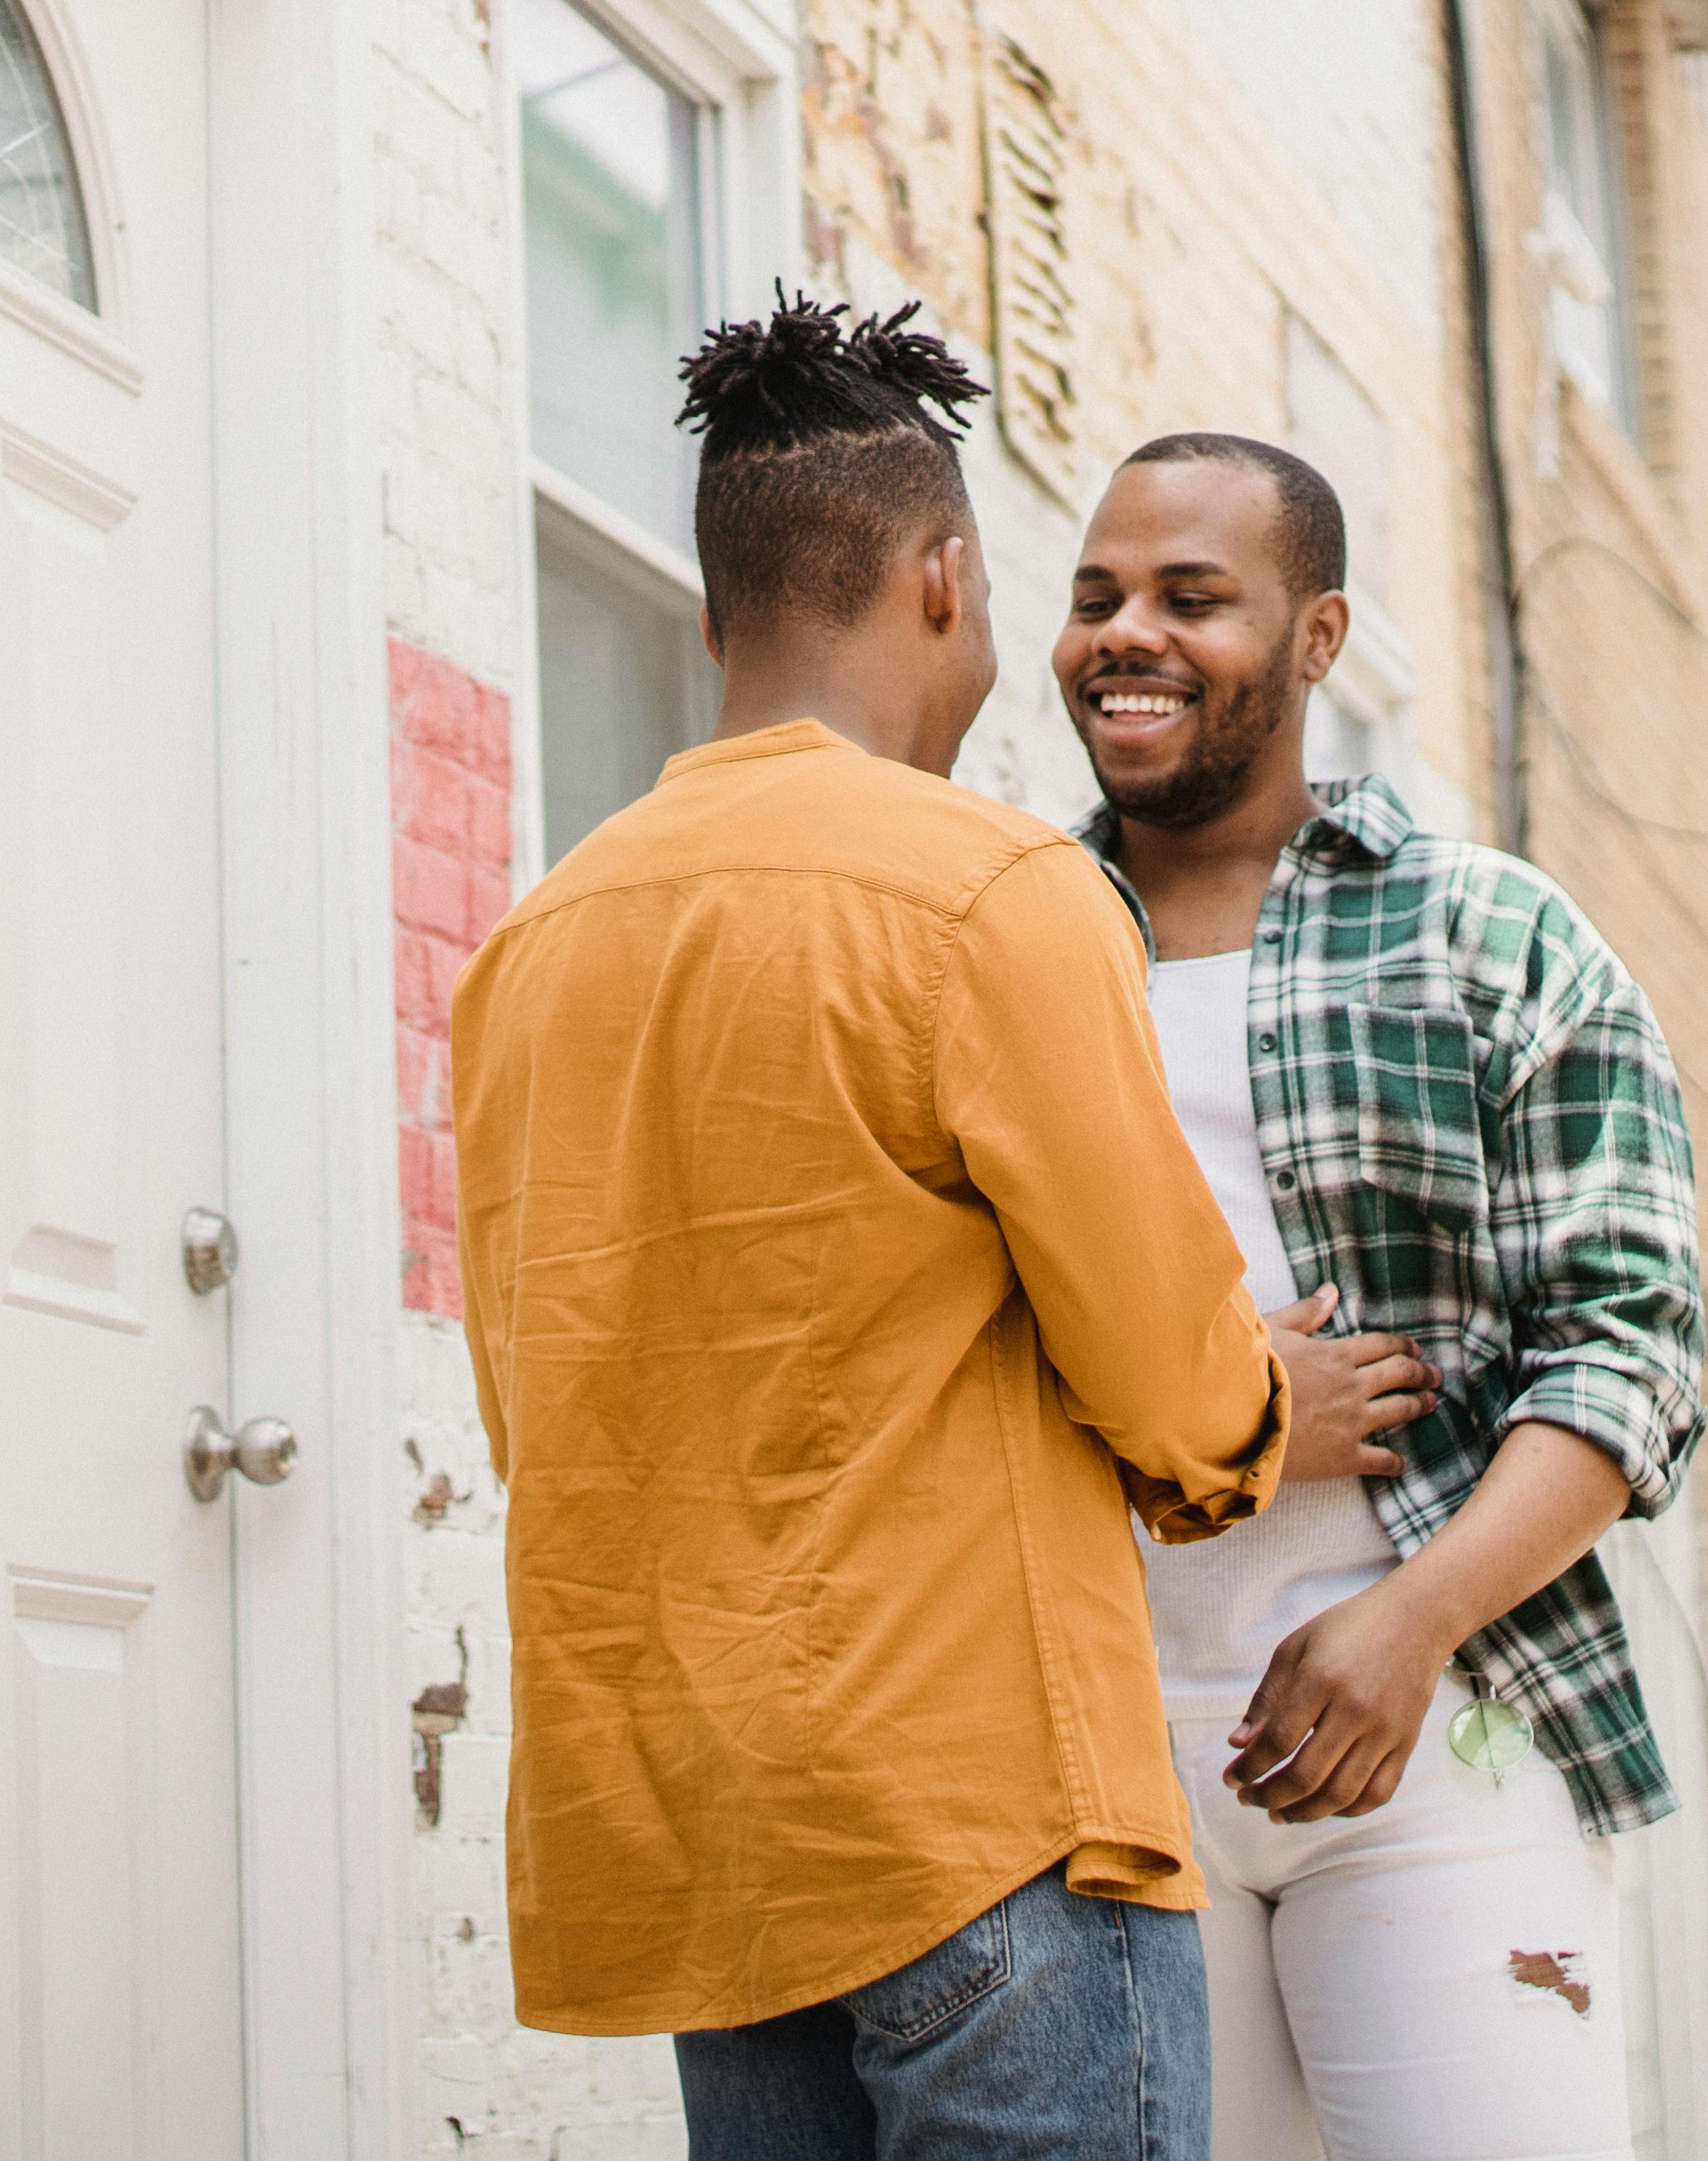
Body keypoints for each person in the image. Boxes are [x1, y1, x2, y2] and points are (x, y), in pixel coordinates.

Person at [452, 293, 1304, 2161]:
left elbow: (541, 1400)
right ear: (939, 577)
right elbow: (1172, 1382)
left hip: (697, 1840)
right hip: (977, 1814)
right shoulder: (991, 889)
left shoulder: (529, 954)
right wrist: (1260, 1417)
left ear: (708, 613)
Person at [1056, 431, 1707, 2161]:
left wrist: (1407, 1617)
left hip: (1440, 1729)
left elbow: (1629, 1343)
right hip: (1091, 1763)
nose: (1130, 632)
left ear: (1319, 636)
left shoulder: (1489, 936)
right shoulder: (1005, 949)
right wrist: (1215, 1402)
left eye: (1194, 597)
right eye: (1097, 595)